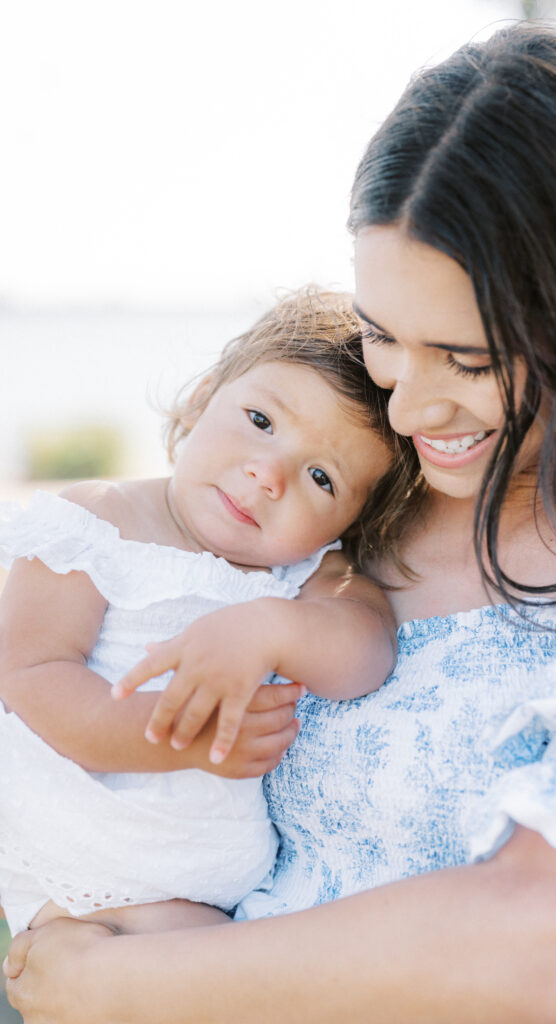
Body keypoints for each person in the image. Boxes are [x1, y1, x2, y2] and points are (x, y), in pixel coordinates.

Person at [4, 22, 556, 1024]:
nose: (407, 409)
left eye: (466, 359)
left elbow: (552, 940)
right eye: (381, 337)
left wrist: (108, 986)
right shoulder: (349, 525)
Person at [0, 287, 413, 938]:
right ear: (202, 394)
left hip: (207, 885)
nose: (267, 474)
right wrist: (176, 738)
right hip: (80, 844)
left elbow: (365, 654)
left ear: (353, 519)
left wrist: (271, 627)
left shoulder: (309, 574)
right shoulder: (97, 523)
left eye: (321, 478)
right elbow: (31, 677)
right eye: (260, 420)